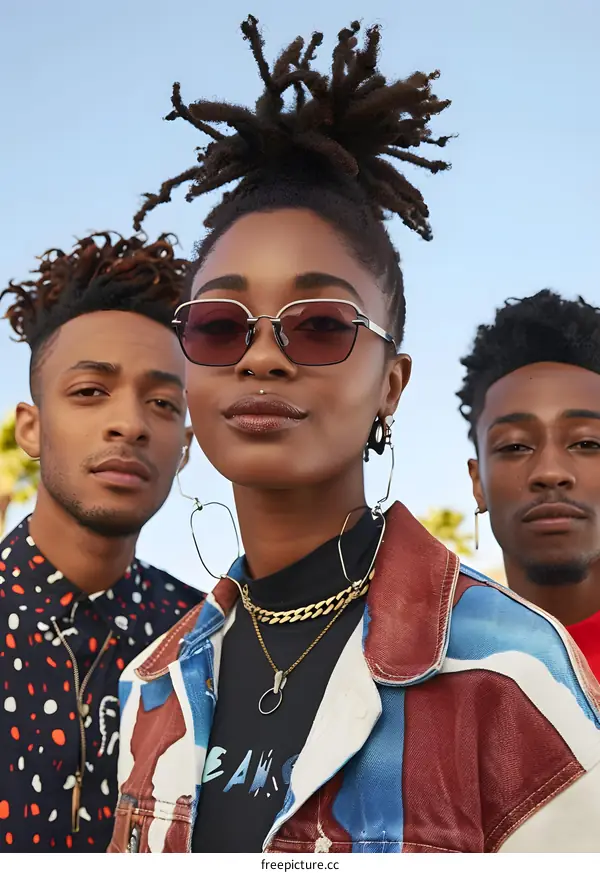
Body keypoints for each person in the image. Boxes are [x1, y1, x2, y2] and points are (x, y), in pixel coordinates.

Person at [110, 19, 600, 854]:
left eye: (321, 323)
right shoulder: (151, 684)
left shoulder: (512, 669)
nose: (262, 354)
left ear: (391, 384)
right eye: (222, 325)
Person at [0, 232, 203, 852]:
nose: (131, 423)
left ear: (187, 447)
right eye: (91, 392)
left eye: (164, 402)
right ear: (30, 428)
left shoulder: (208, 641)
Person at [459, 289, 600, 678]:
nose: (550, 472)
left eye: (588, 442)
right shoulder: (429, 670)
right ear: (478, 484)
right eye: (515, 445)